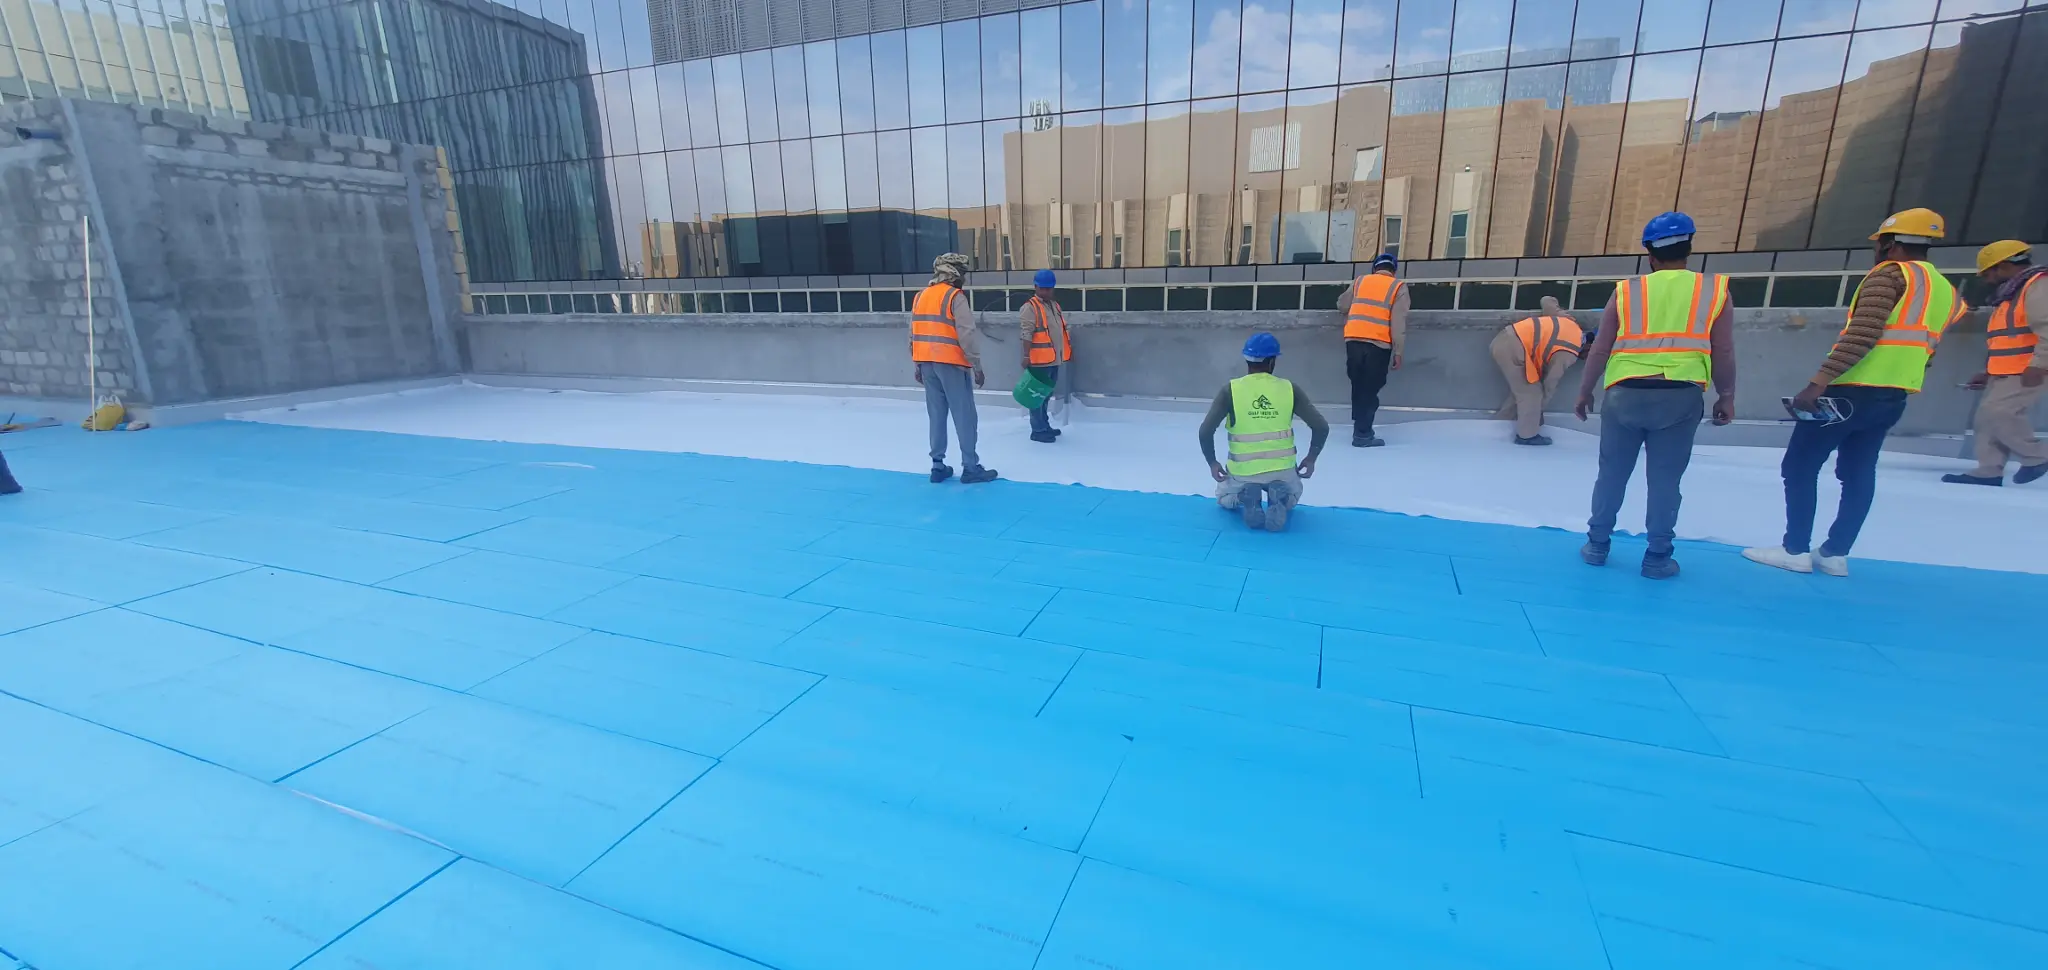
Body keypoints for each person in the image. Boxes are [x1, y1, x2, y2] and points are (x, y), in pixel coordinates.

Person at [1744, 208, 1961, 576]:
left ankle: (1795, 550)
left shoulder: (1889, 276)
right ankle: (1835, 553)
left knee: (1799, 465)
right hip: (1894, 394)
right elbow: (1927, 349)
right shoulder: (1945, 291)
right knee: (1858, 472)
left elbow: (1862, 335)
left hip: (1849, 392)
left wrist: (1817, 383)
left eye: (1879, 244)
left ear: (1891, 244)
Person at [1574, 211, 1737, 580]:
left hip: (1624, 393)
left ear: (1649, 254)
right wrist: (1725, 395)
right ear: (1690, 249)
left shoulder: (1627, 291)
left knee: (1612, 474)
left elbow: (1600, 348)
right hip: (1680, 396)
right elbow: (1723, 350)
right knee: (1665, 480)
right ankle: (1658, 557)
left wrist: (1585, 391)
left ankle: (1597, 546)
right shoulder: (1714, 291)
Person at [1199, 332, 1330, 532]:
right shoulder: (1289, 389)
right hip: (1283, 471)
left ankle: (1245, 496)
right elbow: (1321, 427)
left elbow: (1205, 431)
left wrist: (1212, 462)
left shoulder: (1230, 390)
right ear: (1272, 361)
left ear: (1246, 359)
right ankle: (1281, 498)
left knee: (1223, 498)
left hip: (1244, 472)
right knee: (1292, 498)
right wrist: (1311, 458)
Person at [1943, 239, 2047, 487]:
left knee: (1999, 413)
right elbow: (2004, 338)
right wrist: (1987, 371)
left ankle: (2038, 456)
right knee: (1985, 419)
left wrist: (2040, 364)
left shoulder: (2038, 286)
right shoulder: (2011, 293)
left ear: (2003, 266)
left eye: (1988, 273)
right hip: (2008, 369)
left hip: (2028, 368)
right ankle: (1989, 471)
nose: (1987, 280)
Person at [912, 252, 997, 484]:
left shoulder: (921, 296)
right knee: (964, 415)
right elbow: (966, 334)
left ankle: (937, 466)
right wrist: (976, 364)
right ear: (954, 272)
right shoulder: (954, 296)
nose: (964, 278)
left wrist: (918, 363)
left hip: (927, 363)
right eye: (963, 273)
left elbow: (914, 331)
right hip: (951, 363)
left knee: (936, 416)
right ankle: (970, 467)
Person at [1491, 295, 1585, 445]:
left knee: (1522, 391)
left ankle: (1498, 426)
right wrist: (1538, 411)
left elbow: (1546, 301)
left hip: (1506, 339)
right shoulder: (1569, 352)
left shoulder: (1569, 322)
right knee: (1532, 394)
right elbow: (1550, 384)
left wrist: (1556, 308)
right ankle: (1527, 436)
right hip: (1514, 348)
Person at [1343, 252, 1407, 447]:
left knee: (1358, 385)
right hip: (1378, 345)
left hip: (1353, 340)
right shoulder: (1398, 287)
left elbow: (1342, 304)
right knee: (1371, 389)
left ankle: (1360, 427)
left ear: (1375, 268)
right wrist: (1398, 351)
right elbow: (1398, 322)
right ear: (1393, 270)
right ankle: (1363, 434)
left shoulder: (1360, 281)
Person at [1019, 269, 1072, 443]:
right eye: (1043, 288)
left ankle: (1045, 425)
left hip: (1053, 359)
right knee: (1037, 398)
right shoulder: (1030, 307)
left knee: (1046, 396)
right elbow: (1026, 334)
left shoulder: (1054, 306)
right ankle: (1038, 430)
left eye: (1049, 289)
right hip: (1039, 362)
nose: (1046, 292)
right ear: (1036, 287)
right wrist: (1026, 356)